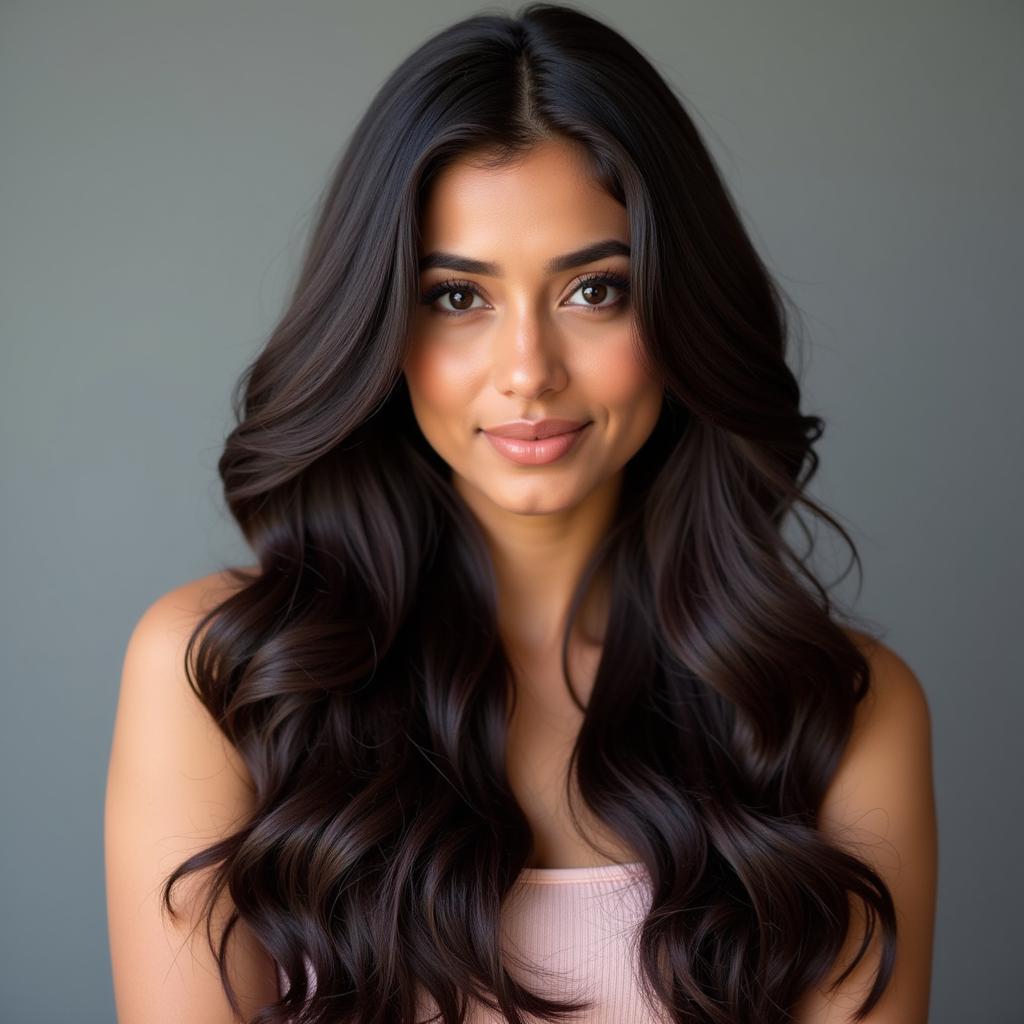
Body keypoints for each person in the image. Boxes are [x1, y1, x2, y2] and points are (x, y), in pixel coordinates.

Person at [104, 4, 938, 1023]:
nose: (528, 373)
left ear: (678, 311)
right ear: (380, 328)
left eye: (595, 290)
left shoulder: (838, 709)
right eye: (458, 298)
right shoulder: (223, 676)